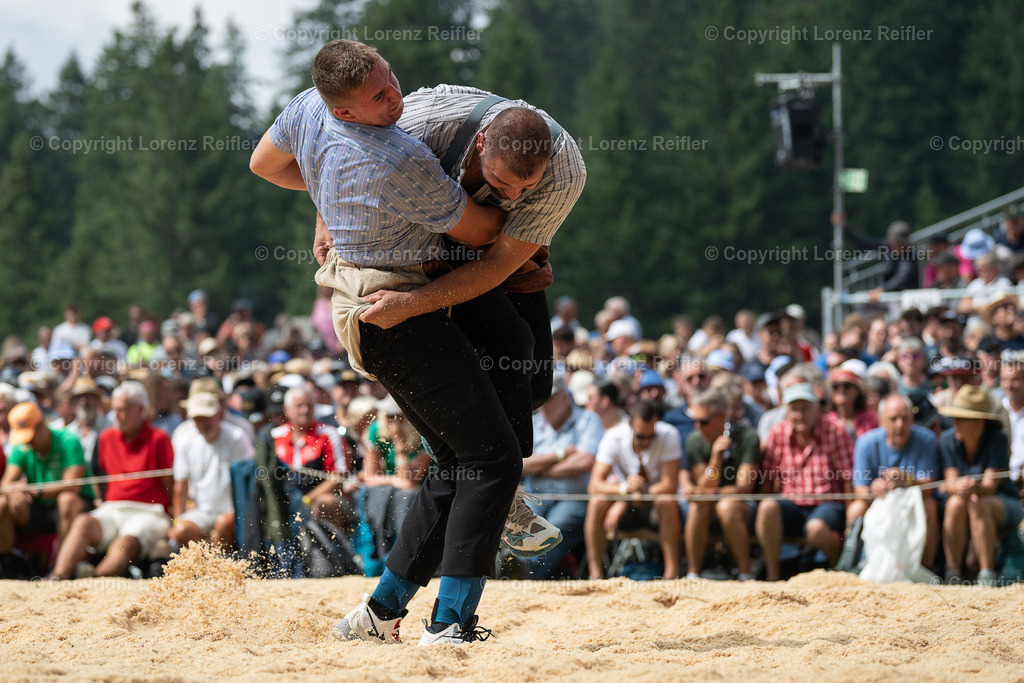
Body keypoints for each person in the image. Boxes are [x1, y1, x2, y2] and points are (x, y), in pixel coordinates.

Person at [250, 40, 566, 644]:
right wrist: (532, 236)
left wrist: (329, 193)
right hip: (394, 311)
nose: (394, 95)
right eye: (377, 94)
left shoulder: (307, 109)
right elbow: (480, 230)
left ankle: (380, 612)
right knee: (491, 459)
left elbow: (264, 164)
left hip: (375, 300)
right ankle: (451, 623)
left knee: (467, 450)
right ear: (342, 108)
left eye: (391, 79)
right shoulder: (397, 157)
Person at [48, 381, 174, 580]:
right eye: (114, 409)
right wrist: (101, 499)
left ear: (140, 409)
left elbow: (169, 483)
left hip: (149, 511)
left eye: (122, 410)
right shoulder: (106, 437)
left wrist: (172, 513)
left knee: (125, 543)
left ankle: (93, 580)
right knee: (83, 522)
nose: (116, 415)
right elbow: (100, 476)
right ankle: (57, 576)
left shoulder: (159, 439)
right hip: (113, 507)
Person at [756, 383, 854, 581]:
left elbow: (847, 477)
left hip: (828, 503)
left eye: (805, 408)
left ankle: (840, 573)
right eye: (794, 409)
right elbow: (768, 477)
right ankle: (773, 577)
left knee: (816, 528)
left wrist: (850, 521)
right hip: (791, 503)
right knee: (766, 507)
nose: (800, 414)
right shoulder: (777, 432)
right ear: (787, 411)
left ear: (817, 408)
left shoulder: (836, 430)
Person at [937, 386, 1024, 586]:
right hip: (964, 501)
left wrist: (969, 487)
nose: (955, 422)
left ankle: (987, 576)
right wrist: (960, 487)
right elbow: (950, 482)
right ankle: (953, 575)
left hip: (1003, 503)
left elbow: (990, 486)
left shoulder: (998, 440)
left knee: (978, 502)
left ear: (979, 421)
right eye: (954, 417)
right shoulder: (947, 439)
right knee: (955, 503)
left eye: (962, 418)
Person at [585, 400, 681, 579]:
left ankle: (671, 575)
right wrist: (623, 490)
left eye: (651, 436)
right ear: (630, 425)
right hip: (627, 503)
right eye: (641, 437)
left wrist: (626, 498)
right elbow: (594, 485)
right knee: (596, 502)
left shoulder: (669, 434)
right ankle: (595, 575)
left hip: (653, 505)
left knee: (667, 502)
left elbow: (669, 486)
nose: (647, 441)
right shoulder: (614, 436)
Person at [519, 376, 602, 578]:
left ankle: (522, 571)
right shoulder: (533, 422)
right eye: (539, 398)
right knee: (521, 527)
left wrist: (539, 466)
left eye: (549, 398)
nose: (543, 404)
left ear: (565, 396)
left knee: (554, 528)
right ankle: (519, 570)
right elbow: (521, 465)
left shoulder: (589, 419)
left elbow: (583, 463)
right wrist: (561, 454)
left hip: (573, 498)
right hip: (536, 496)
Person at [848, 394, 942, 569]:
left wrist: (907, 480)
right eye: (893, 419)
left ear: (912, 419)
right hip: (879, 501)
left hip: (913, 502)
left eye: (905, 418)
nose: (900, 425)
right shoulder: (865, 443)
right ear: (881, 421)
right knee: (856, 508)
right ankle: (853, 562)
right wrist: (874, 489)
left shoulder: (926, 439)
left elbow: (929, 488)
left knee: (930, 505)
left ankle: (925, 567)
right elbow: (859, 491)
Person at [684, 388, 759, 581]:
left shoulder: (747, 437)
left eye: (704, 421)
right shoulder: (694, 440)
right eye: (695, 420)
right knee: (698, 506)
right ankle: (693, 574)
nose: (698, 426)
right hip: (708, 506)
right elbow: (704, 489)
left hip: (743, 507)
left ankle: (745, 574)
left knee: (727, 506)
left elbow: (744, 488)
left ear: (722, 417)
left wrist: (712, 493)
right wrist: (716, 459)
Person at [169, 392, 253, 553]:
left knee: (224, 523)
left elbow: (247, 479)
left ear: (219, 414)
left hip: (232, 509)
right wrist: (177, 520)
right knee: (181, 530)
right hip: (202, 511)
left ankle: (218, 567)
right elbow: (181, 485)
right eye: (197, 418)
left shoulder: (237, 436)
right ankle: (207, 566)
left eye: (206, 417)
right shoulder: (186, 441)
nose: (202, 423)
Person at [0, 402, 87, 554]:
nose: (28, 442)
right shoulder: (22, 446)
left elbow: (73, 485)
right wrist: (15, 491)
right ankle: (7, 558)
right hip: (41, 509)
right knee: (5, 502)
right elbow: (5, 484)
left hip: (77, 506)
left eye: (31, 437)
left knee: (66, 500)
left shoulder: (68, 440)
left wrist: (31, 490)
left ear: (42, 426)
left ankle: (61, 566)